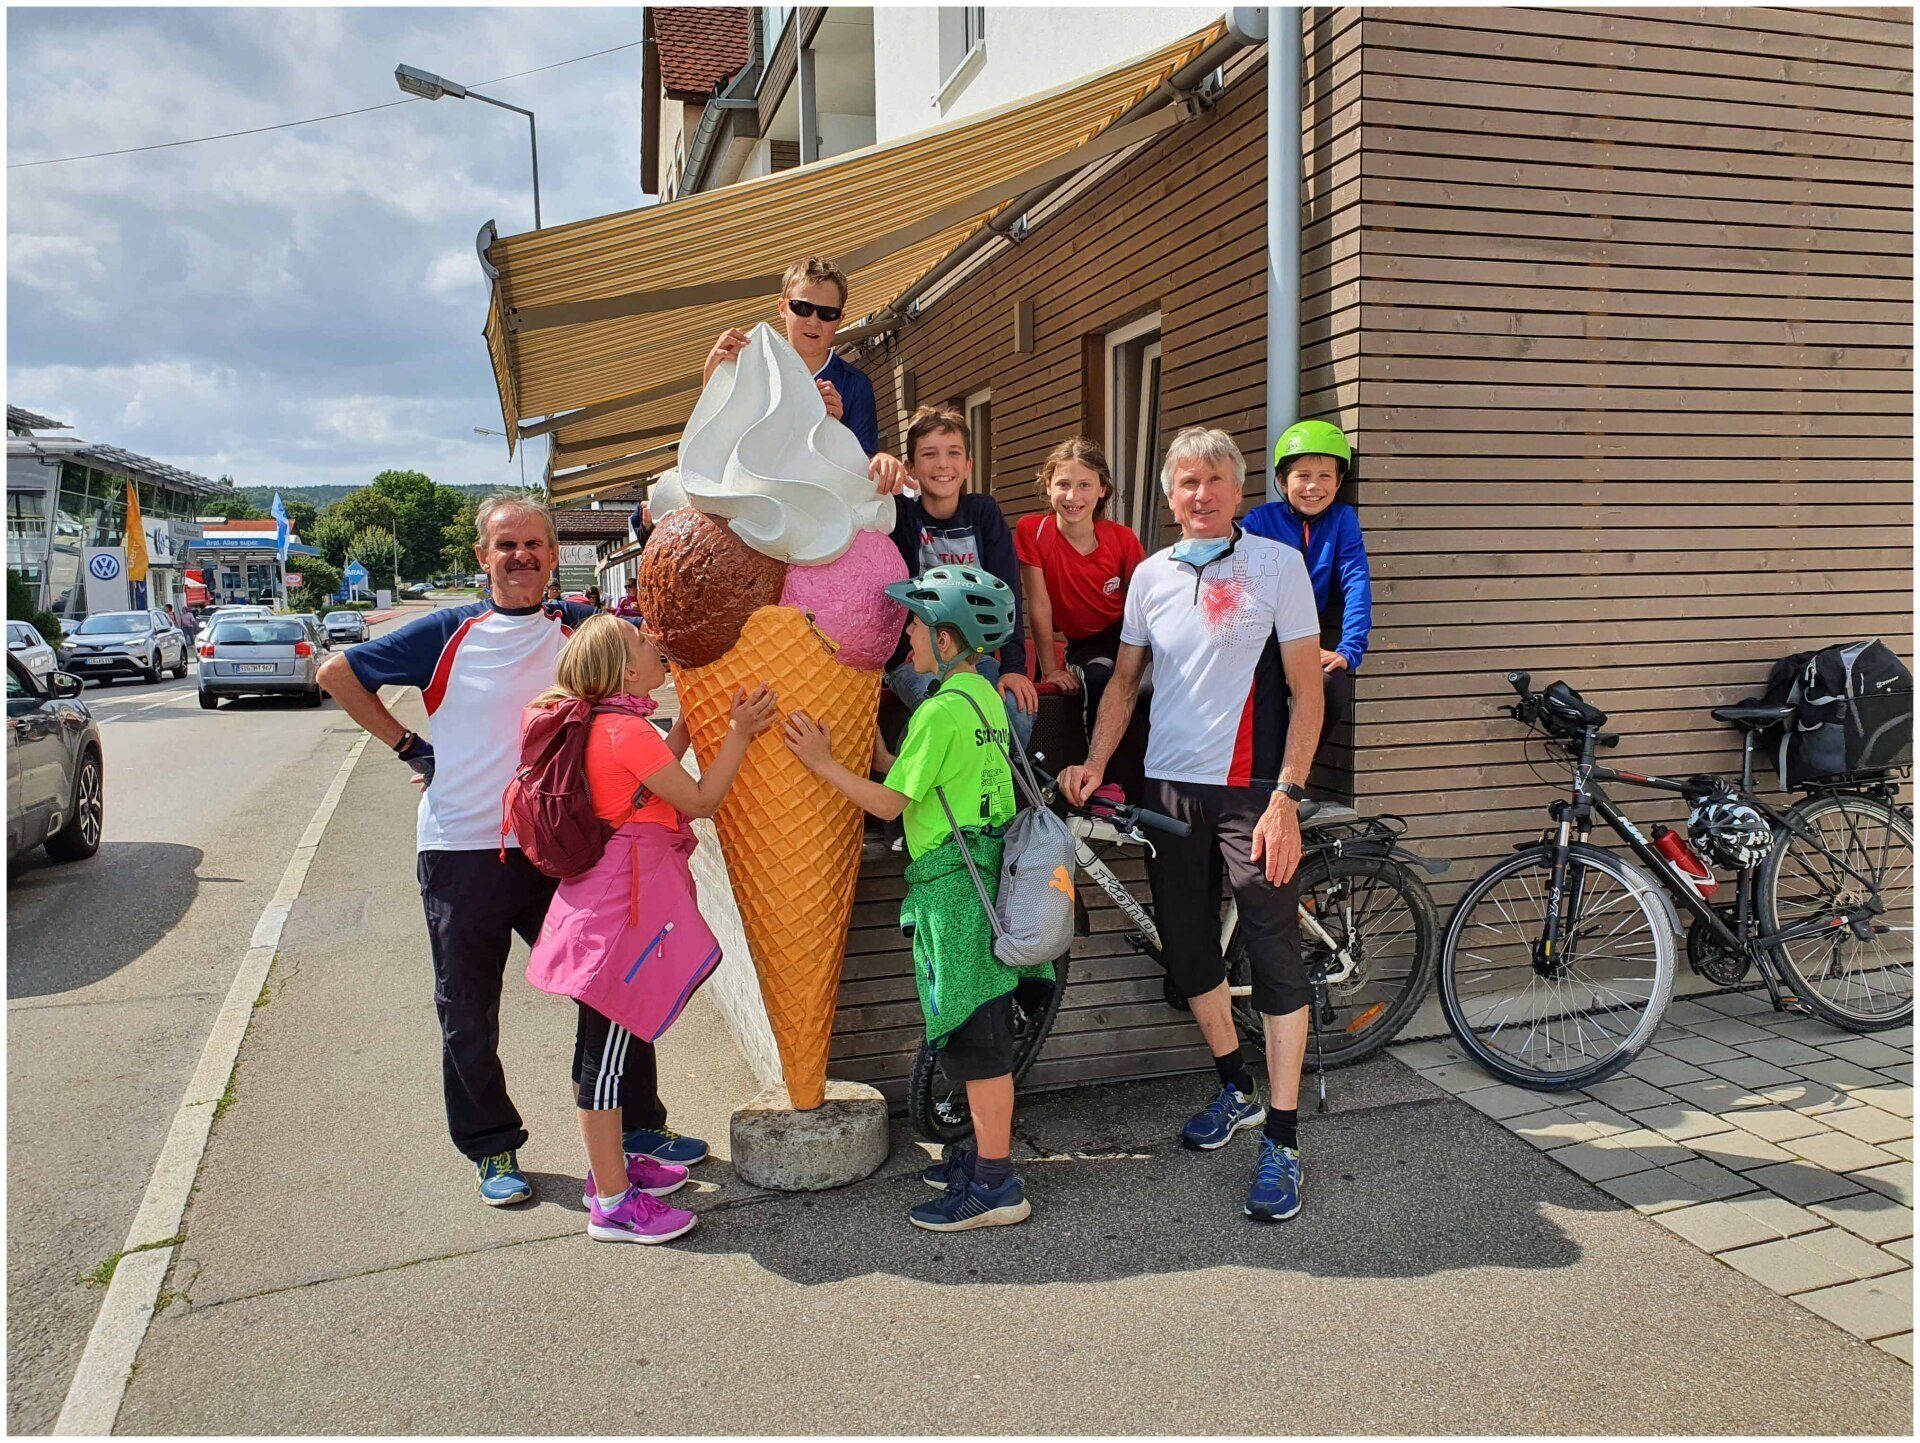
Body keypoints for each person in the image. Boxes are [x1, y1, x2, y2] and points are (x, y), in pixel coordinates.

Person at [317, 494, 710, 1209]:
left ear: (554, 555)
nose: (521, 556)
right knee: (468, 1007)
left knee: (614, 988)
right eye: (506, 545)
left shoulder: (584, 627)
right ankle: (491, 1143)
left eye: (534, 544)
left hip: (565, 844)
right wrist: (411, 746)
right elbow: (336, 673)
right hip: (462, 848)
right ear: (482, 557)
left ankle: (638, 1128)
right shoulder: (446, 632)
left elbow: (661, 640)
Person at [1058, 426, 1323, 1225]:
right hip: (1168, 790)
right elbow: (1123, 684)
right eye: (1186, 482)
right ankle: (1235, 1088)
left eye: (1214, 480)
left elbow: (1307, 692)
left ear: (1238, 491)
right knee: (1188, 949)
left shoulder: (1277, 565)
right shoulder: (1149, 574)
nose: (1200, 494)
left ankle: (1283, 1138)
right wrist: (1096, 763)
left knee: (1275, 957)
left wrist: (1288, 797)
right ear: (1168, 496)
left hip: (1252, 792)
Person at [783, 566, 1036, 1233]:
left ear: (948, 640)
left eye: (918, 629)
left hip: (956, 892)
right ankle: (983, 1159)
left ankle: (996, 1183)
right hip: (987, 879)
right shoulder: (982, 699)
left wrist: (823, 765)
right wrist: (877, 754)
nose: (909, 640)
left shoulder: (939, 710)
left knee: (978, 1041)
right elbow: (934, 782)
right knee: (980, 1028)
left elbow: (892, 806)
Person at [524, 616, 779, 1244]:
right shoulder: (627, 731)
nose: (653, 644)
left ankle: (611, 1169)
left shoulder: (605, 724)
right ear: (623, 668)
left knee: (599, 1048)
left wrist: (691, 721)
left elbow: (651, 772)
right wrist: (740, 733)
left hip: (597, 908)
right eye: (641, 642)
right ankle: (612, 1202)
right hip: (620, 920)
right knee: (605, 1063)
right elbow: (701, 801)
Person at [885, 406, 1035, 750]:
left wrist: (1014, 666)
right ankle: (928, 782)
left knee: (1016, 706)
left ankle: (1002, 783)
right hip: (916, 658)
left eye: (954, 453)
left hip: (975, 657)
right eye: (929, 454)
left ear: (968, 465)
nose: (943, 464)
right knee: (948, 710)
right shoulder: (900, 515)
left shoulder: (983, 513)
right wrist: (878, 463)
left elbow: (1008, 593)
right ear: (910, 468)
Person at [705, 257, 910, 495]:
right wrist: (712, 377)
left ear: (840, 319)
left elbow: (865, 470)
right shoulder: (753, 368)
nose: (813, 321)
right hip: (755, 501)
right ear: (782, 307)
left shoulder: (855, 384)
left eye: (827, 313)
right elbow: (715, 442)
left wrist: (835, 432)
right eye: (802, 308)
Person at [1241, 420, 1371, 739]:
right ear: (1282, 481)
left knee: (1330, 686)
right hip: (1259, 641)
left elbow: (1356, 582)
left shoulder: (1343, 520)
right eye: (1303, 476)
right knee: (1263, 706)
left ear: (1339, 482)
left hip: (1302, 640)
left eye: (1325, 476)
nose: (1314, 486)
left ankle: (1300, 766)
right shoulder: (1260, 521)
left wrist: (1348, 650)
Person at [1015, 437, 1146, 728]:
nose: (1073, 496)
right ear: (1048, 485)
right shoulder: (1033, 531)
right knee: (1099, 677)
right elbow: (1039, 604)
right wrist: (1050, 669)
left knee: (1146, 690)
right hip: (1085, 644)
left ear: (1102, 489)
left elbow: (1147, 602)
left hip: (1128, 635)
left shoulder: (1122, 539)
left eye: (1085, 485)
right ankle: (1097, 756)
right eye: (1063, 484)